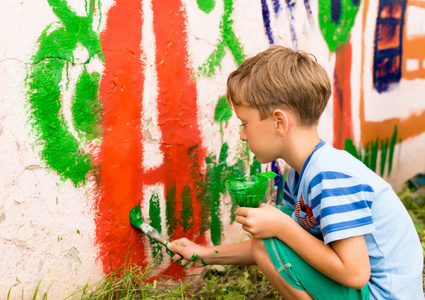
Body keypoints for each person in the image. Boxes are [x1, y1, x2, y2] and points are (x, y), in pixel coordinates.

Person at [167, 45, 424, 299]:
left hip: (383, 295)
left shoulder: (330, 176)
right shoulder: (303, 173)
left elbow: (355, 274)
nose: (243, 135)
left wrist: (281, 226)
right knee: (277, 223)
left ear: (279, 122)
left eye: (245, 123)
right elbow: (274, 245)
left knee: (277, 222)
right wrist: (204, 255)